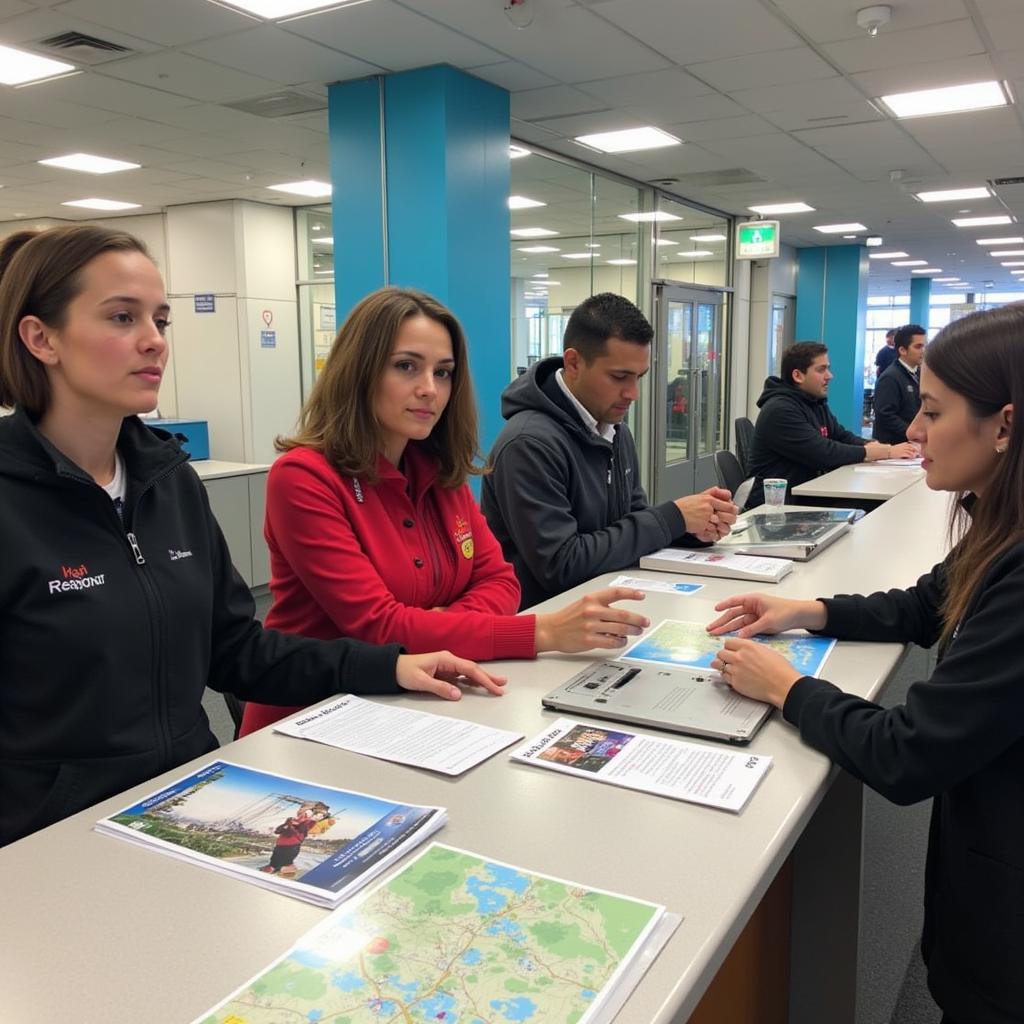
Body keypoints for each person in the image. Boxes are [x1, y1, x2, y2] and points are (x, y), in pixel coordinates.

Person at [0, 226, 503, 848]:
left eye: (161, 320)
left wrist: (391, 666)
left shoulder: (168, 482)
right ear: (40, 338)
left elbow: (237, 651)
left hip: (183, 801)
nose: (154, 341)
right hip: (46, 839)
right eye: (122, 317)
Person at [707, 304, 1024, 1024]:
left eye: (934, 413)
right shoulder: (999, 523)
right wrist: (808, 611)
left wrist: (788, 688)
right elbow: (922, 604)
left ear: (1003, 426)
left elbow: (907, 753)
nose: (913, 431)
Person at [238, 288, 649, 737]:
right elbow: (380, 626)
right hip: (312, 719)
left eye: (444, 372)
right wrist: (540, 633)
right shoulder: (304, 478)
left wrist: (433, 627)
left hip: (420, 704)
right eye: (406, 366)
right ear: (359, 372)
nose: (429, 389)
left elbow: (501, 581)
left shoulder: (437, 470)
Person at [481, 293, 738, 608]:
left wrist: (690, 528)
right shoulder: (528, 443)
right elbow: (562, 565)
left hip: (607, 605)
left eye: (639, 377)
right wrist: (672, 518)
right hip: (546, 623)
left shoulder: (615, 431)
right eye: (619, 377)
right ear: (574, 362)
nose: (633, 393)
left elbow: (632, 522)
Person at [746, 341, 917, 508]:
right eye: (821, 370)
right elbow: (823, 453)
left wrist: (874, 446)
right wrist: (881, 452)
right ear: (798, 375)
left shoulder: (814, 402)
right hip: (777, 506)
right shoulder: (780, 410)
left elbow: (841, 435)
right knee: (871, 505)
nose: (829, 375)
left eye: (828, 368)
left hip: (806, 494)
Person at [872, 323, 924, 444]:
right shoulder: (890, 377)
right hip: (894, 447)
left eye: (924, 346)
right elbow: (885, 415)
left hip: (913, 445)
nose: (923, 351)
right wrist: (913, 433)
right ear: (902, 350)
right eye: (918, 347)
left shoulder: (919, 374)